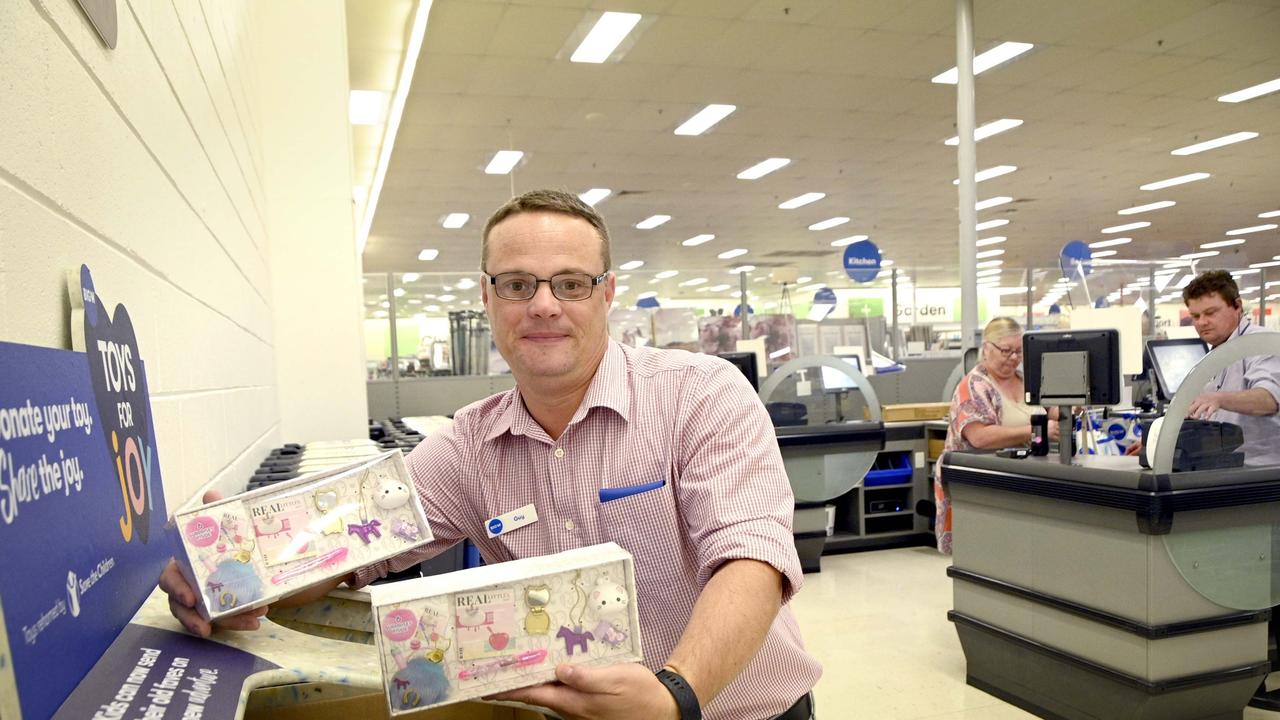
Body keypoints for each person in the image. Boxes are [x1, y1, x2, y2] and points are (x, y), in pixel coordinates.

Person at [159, 189, 820, 720]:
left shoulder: (699, 396)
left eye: (570, 283)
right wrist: (232, 568)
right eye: (515, 284)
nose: (542, 306)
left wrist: (677, 695)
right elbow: (347, 542)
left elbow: (751, 556)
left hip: (736, 710)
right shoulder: (469, 450)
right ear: (486, 298)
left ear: (607, 293)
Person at [1126, 270, 1280, 466]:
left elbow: (1268, 400)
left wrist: (1218, 399)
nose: (1202, 322)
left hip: (1263, 472)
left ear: (1237, 306)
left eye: (1211, 313)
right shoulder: (1214, 355)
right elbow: (1200, 414)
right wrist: (1161, 444)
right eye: (1195, 316)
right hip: (1225, 468)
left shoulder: (1260, 343)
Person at [933, 317, 1058, 555]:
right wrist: (1036, 431)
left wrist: (1071, 405)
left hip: (1021, 478)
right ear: (986, 349)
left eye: (1019, 352)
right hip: (978, 485)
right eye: (1006, 351)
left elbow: (1054, 410)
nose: (1013, 358)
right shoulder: (974, 386)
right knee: (983, 554)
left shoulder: (1028, 380)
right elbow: (979, 437)